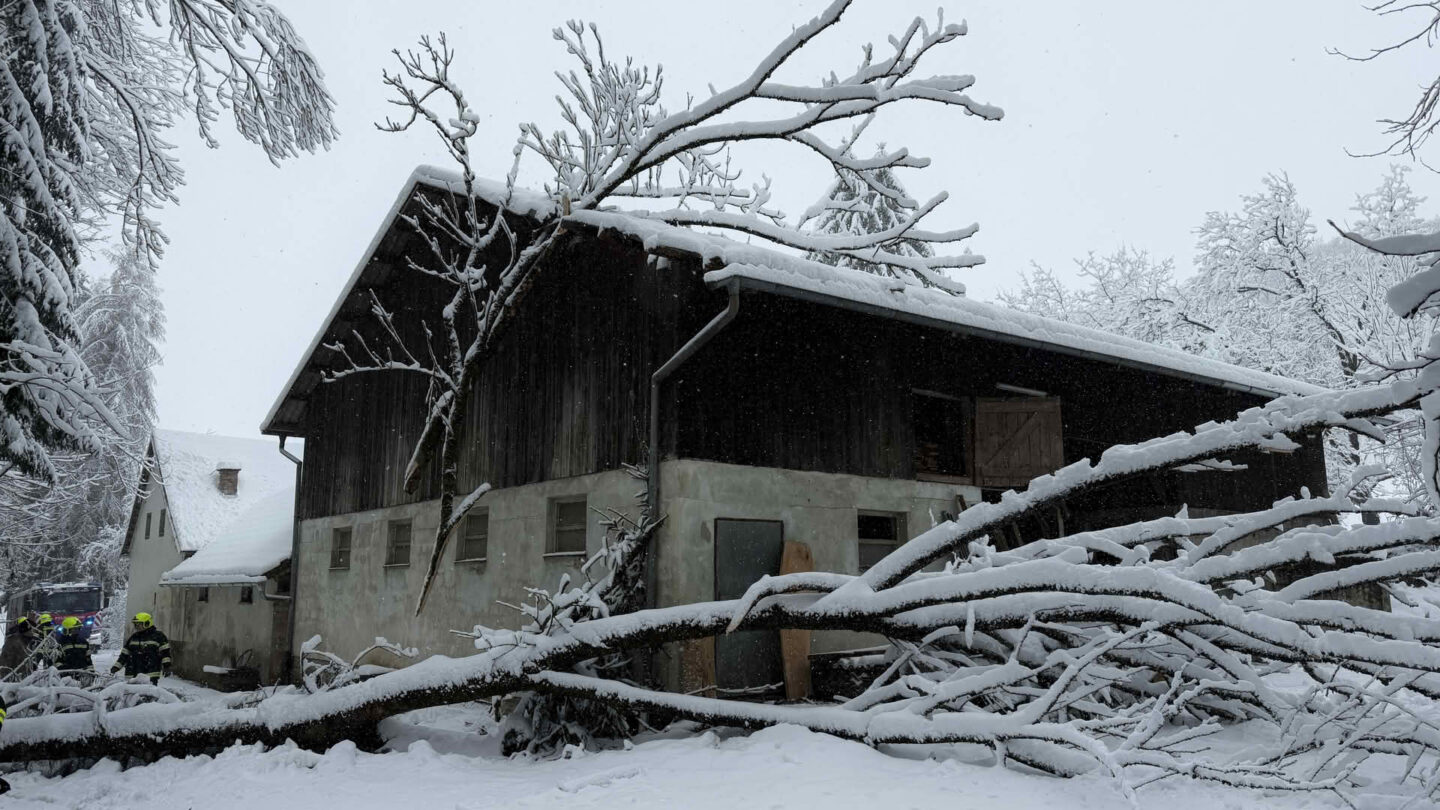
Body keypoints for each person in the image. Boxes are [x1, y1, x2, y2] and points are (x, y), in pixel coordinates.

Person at [112, 612, 171, 685]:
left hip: (150, 674)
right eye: (135, 624)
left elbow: (165, 653)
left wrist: (167, 666)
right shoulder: (133, 637)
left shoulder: (159, 636)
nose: (136, 627)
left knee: (147, 694)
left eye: (139, 624)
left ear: (147, 623)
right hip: (132, 674)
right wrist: (116, 667)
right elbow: (124, 654)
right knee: (130, 695)